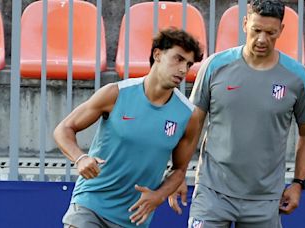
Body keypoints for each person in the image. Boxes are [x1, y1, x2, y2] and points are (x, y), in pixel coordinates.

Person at [168, 0, 305, 227]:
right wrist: (178, 173)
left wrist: (298, 183)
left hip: (265, 199)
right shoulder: (215, 66)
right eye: (257, 30)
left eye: (270, 32)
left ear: (281, 31)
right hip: (212, 192)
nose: (262, 39)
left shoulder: (297, 77)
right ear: (245, 24)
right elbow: (193, 124)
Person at [53, 27, 203, 228]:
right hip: (90, 206)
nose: (184, 70)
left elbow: (179, 170)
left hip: (133, 219)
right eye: (178, 59)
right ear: (157, 54)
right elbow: (64, 128)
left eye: (189, 64)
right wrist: (80, 158)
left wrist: (158, 196)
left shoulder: (188, 115)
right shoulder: (115, 93)